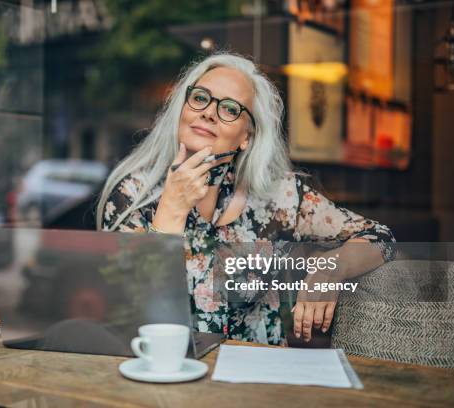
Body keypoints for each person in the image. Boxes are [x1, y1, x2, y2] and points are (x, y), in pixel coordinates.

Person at [96, 52, 395, 345]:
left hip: (256, 381)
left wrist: (333, 267)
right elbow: (129, 315)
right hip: (167, 374)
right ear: (182, 109)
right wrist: (172, 209)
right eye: (200, 98)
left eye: (229, 109)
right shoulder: (132, 196)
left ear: (246, 137)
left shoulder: (280, 197)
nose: (209, 112)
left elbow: (381, 238)